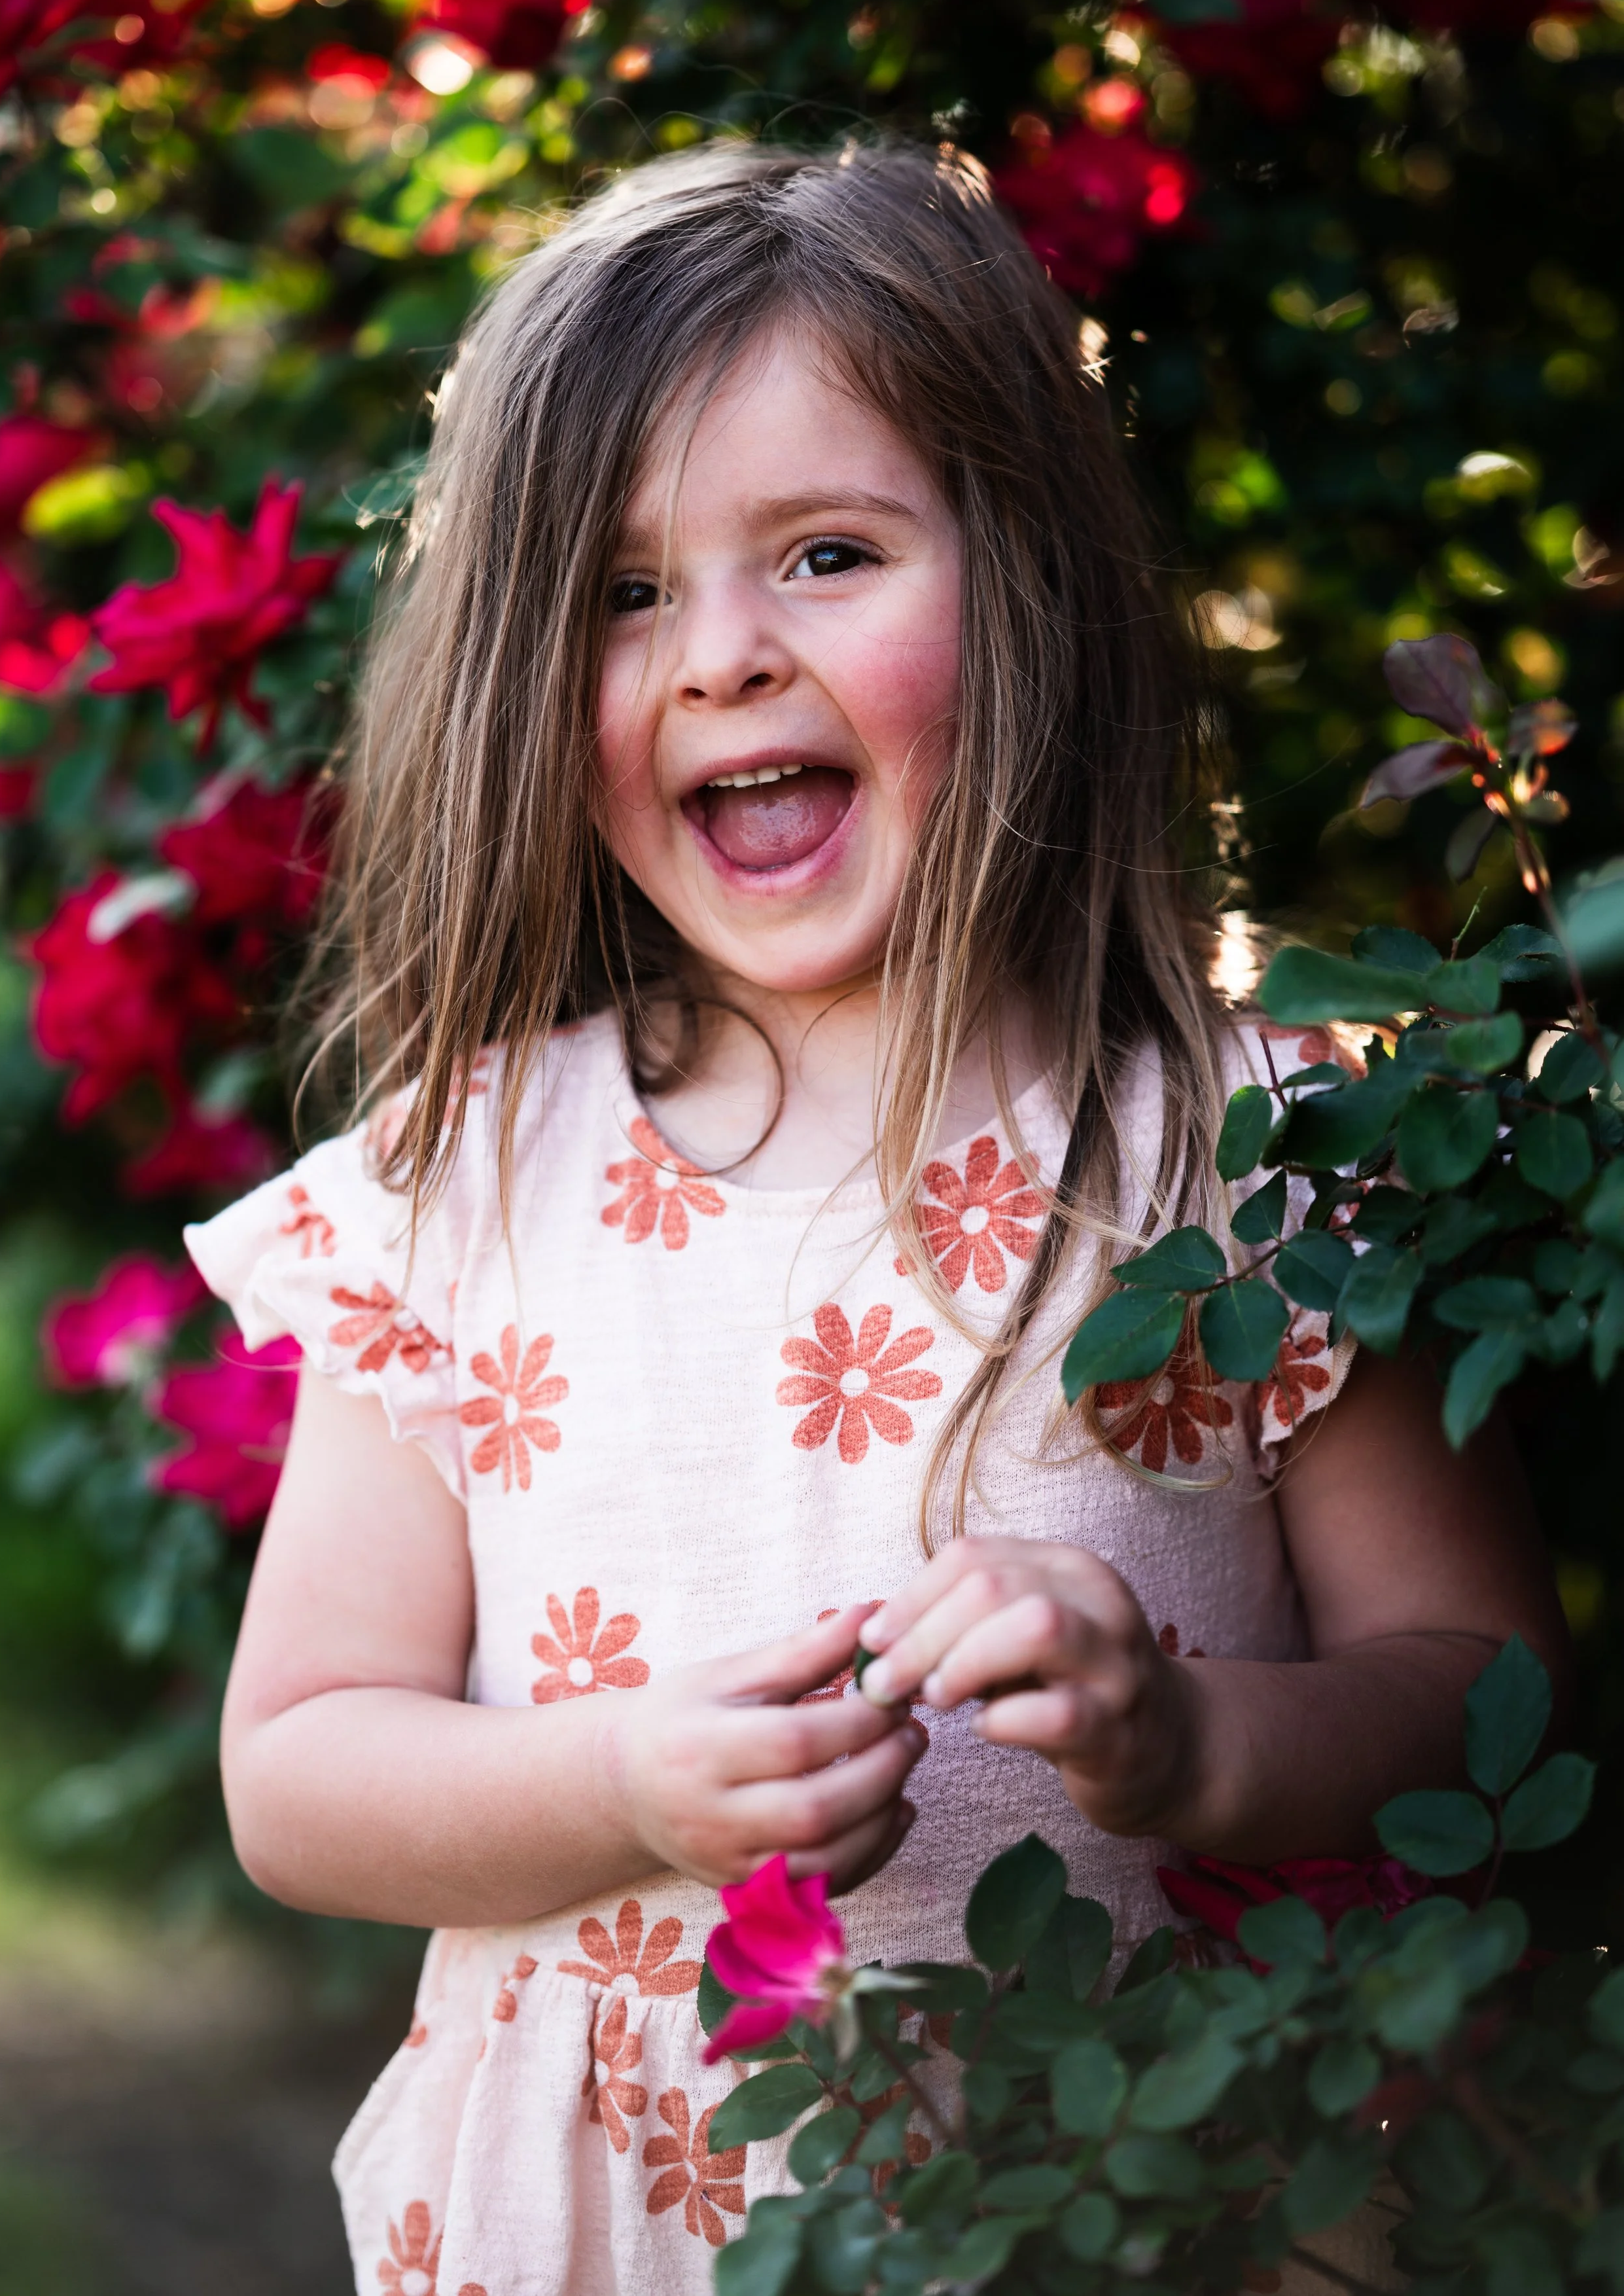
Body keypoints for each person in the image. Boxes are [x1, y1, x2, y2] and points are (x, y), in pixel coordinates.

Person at [193, 143, 1568, 2296]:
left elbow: (1488, 1688)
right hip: (625, 2209)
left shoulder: (1258, 1155)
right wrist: (628, 1780)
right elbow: (296, 1773)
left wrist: (1189, 1742)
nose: (723, 657)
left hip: (1162, 2174)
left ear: (1020, 585)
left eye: (824, 552)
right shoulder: (464, 1194)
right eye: (624, 593)